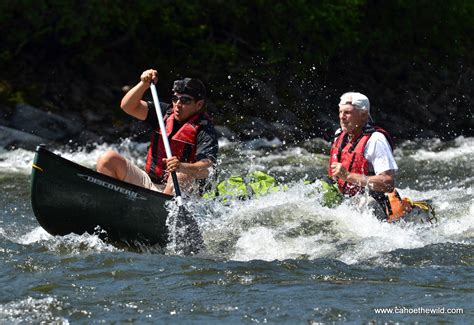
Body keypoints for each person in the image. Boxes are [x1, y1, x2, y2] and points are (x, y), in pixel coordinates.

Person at [96, 69, 218, 196]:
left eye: (185, 100)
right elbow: (128, 106)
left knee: (180, 175)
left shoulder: (205, 130)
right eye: (175, 98)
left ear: (199, 104)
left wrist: (181, 166)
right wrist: (144, 84)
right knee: (107, 159)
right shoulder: (163, 113)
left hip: (181, 193)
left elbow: (207, 168)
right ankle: (110, 201)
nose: (178, 104)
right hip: (149, 183)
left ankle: (160, 209)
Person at [328, 92, 402, 220]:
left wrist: (348, 176)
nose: (342, 117)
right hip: (345, 201)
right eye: (340, 112)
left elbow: (388, 183)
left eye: (347, 113)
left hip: (371, 206)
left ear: (363, 115)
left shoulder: (376, 140)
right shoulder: (339, 134)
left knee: (368, 204)